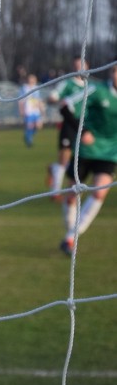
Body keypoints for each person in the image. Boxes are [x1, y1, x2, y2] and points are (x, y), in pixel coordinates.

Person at [57, 62, 117, 256]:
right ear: (111, 72)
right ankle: (70, 231)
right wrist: (83, 131)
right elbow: (65, 106)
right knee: (71, 196)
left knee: (100, 192)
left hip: (110, 153)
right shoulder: (96, 90)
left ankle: (71, 237)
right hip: (86, 151)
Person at [47, 57, 90, 200]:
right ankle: (55, 192)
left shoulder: (92, 86)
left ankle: (55, 170)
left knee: (83, 158)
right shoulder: (67, 83)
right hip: (69, 124)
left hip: (85, 125)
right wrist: (56, 100)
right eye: (76, 66)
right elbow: (53, 97)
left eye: (82, 65)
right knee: (65, 157)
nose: (79, 68)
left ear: (87, 66)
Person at [19, 73, 44, 148]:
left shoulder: (36, 88)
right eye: (31, 78)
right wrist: (21, 110)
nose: (32, 80)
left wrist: (41, 109)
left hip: (36, 111)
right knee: (29, 126)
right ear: (28, 79)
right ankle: (29, 141)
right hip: (28, 110)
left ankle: (27, 136)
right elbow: (21, 100)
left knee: (38, 126)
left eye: (34, 79)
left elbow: (39, 100)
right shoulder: (24, 88)